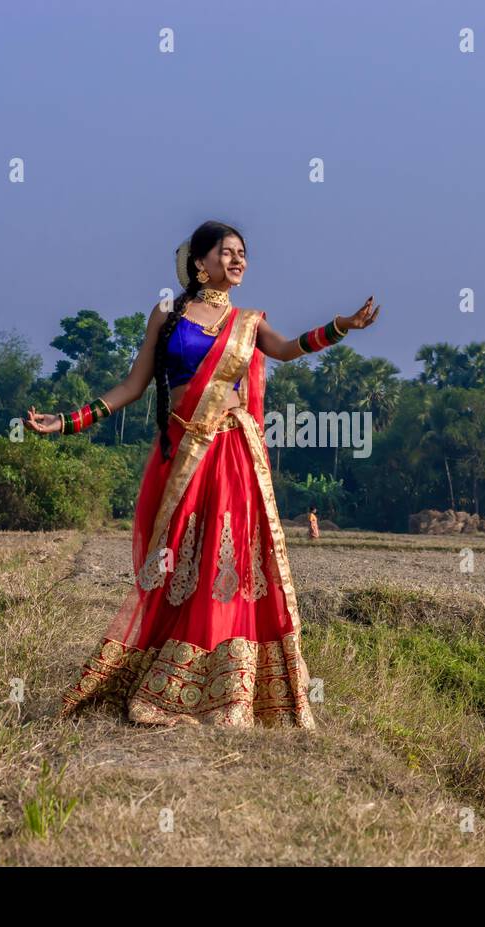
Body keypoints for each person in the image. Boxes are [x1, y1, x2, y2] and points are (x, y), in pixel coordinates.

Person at [25, 220, 379, 728]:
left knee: (226, 556)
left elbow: (284, 350)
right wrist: (69, 421)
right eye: (227, 252)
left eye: (243, 254)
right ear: (199, 261)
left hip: (233, 453)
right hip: (184, 453)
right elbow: (132, 385)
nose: (238, 261)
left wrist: (340, 326)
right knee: (181, 560)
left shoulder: (248, 322)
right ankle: (170, 675)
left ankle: (230, 692)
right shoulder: (167, 315)